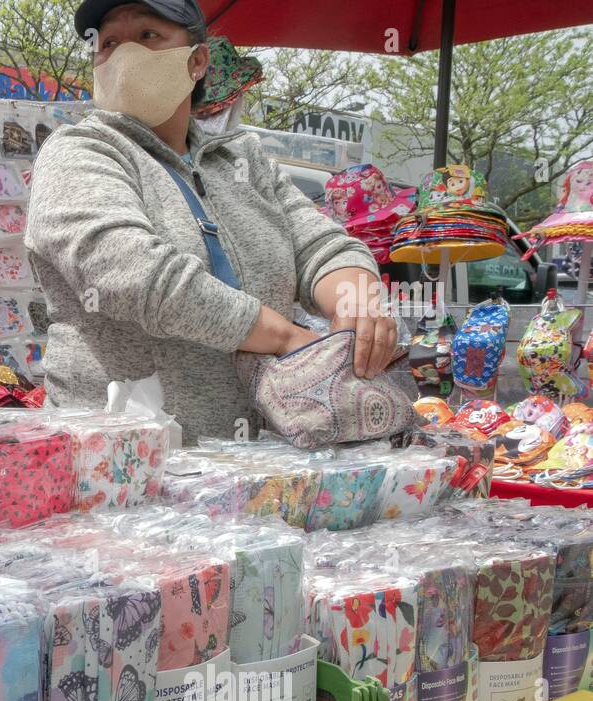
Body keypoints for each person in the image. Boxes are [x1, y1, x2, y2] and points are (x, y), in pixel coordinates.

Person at [26, 0, 396, 442]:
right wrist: (284, 338)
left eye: (148, 36)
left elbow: (323, 245)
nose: (125, 56)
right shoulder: (78, 151)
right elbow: (131, 272)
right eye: (108, 43)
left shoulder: (245, 159)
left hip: (265, 460)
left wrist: (357, 298)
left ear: (197, 60)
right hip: (122, 469)